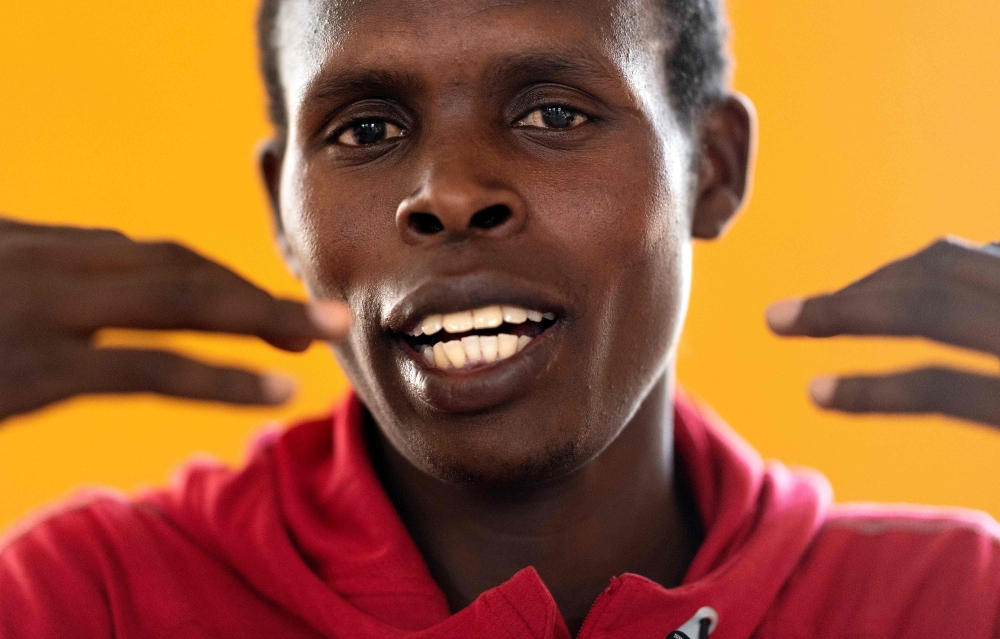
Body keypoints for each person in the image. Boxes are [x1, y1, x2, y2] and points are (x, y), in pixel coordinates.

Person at [2, 0, 1000, 636]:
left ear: (711, 167)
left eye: (553, 113)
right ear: (284, 214)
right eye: (366, 129)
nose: (448, 190)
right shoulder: (89, 601)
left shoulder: (949, 602)